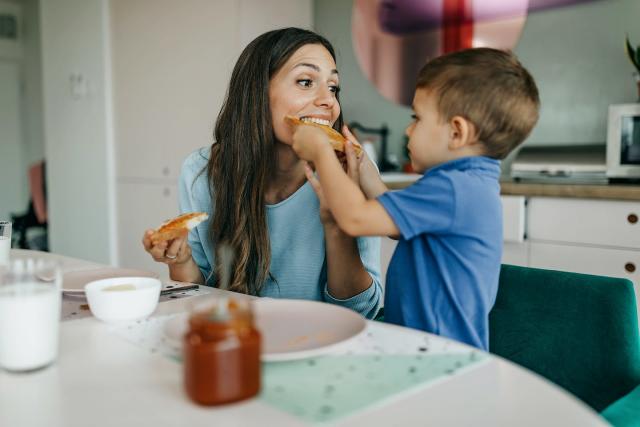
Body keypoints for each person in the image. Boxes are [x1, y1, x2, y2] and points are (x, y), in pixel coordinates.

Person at [291, 47, 540, 349]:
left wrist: (319, 150)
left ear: (457, 132)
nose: (408, 130)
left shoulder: (455, 188)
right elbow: (396, 225)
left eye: (417, 119)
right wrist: (364, 167)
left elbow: (355, 218)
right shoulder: (467, 183)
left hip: (438, 355)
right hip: (421, 346)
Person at [142, 28, 382, 319]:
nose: (328, 101)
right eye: (306, 82)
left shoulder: (351, 171)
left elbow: (361, 311)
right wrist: (180, 260)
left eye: (333, 88)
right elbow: (200, 296)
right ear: (257, 92)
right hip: (238, 339)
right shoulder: (201, 172)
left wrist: (336, 224)